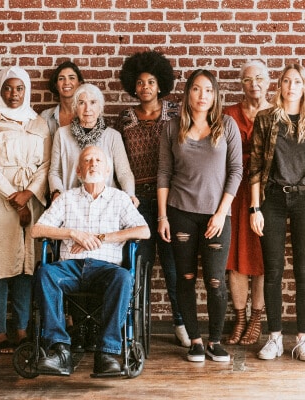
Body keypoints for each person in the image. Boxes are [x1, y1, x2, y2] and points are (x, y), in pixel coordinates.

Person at [32, 146, 150, 376]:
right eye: (87, 160)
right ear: (78, 170)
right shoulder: (67, 199)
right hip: (71, 267)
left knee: (124, 277)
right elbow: (37, 230)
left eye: (98, 160)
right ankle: (60, 352)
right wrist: (72, 233)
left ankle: (106, 353)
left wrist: (102, 238)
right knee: (46, 273)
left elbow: (144, 231)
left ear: (107, 170)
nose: (93, 164)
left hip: (106, 270)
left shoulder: (119, 199)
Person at [158, 69, 242, 363]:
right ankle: (195, 341)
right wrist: (162, 217)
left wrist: (221, 213)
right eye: (196, 89)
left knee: (216, 281)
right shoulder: (171, 128)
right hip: (180, 213)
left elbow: (236, 171)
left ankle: (215, 341)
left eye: (208, 90)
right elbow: (164, 173)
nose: (202, 95)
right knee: (186, 277)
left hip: (216, 217)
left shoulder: (227, 125)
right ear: (188, 93)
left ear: (215, 95)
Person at [250, 64, 305, 362]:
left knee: (304, 272)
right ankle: (274, 338)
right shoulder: (267, 119)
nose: (291, 85)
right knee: (272, 270)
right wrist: (254, 207)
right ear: (280, 86)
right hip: (272, 197)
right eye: (286, 81)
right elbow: (255, 166)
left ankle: (302, 339)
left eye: (297, 81)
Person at [115, 50, 189, 347]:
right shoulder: (124, 119)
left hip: (169, 201)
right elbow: (118, 162)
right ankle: (133, 325)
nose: (145, 87)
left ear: (161, 85)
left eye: (151, 82)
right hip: (135, 203)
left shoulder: (175, 113)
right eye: (140, 83)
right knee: (136, 265)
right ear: (133, 86)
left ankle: (181, 323)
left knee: (173, 266)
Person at [0, 66, 51, 354]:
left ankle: (21, 329)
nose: (13, 94)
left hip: (31, 196)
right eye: (7, 87)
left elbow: (45, 164)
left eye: (19, 88)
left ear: (27, 90)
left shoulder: (38, 122)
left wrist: (29, 193)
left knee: (25, 265)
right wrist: (12, 195)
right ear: (0, 90)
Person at [222, 60, 268, 346]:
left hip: (265, 193)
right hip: (235, 192)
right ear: (242, 85)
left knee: (261, 258)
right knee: (235, 259)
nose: (254, 84)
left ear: (268, 82)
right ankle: (239, 317)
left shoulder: (276, 113)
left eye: (260, 78)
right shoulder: (229, 114)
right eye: (248, 80)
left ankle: (256, 318)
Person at [49, 83, 136, 202]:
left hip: (105, 203)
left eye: (93, 102)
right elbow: (54, 172)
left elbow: (124, 173)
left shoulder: (113, 136)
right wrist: (56, 193)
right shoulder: (62, 135)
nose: (87, 108)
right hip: (70, 203)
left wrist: (130, 194)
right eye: (81, 103)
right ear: (75, 108)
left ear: (100, 108)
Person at [40, 61, 84, 138]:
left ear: (80, 83)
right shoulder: (45, 117)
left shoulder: (88, 114)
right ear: (56, 85)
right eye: (61, 78)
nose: (66, 82)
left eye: (71, 78)